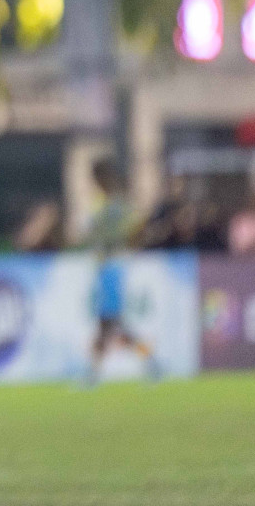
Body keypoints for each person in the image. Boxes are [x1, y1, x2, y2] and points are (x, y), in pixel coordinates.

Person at [81, 159, 159, 385]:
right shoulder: (104, 203)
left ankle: (93, 374)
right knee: (112, 324)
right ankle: (148, 361)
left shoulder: (116, 205)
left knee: (108, 322)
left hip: (112, 267)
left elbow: (137, 228)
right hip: (105, 266)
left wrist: (123, 248)